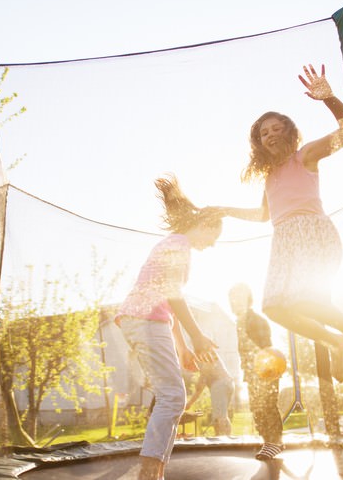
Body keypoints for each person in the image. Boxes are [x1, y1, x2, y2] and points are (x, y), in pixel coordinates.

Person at [210, 64, 343, 381]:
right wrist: (225, 209)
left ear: (289, 133)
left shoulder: (305, 156)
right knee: (274, 305)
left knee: (306, 299)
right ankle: (335, 340)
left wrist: (328, 98)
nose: (270, 134)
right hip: (284, 240)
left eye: (276, 128)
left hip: (312, 232)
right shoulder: (269, 176)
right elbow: (263, 216)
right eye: (264, 133)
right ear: (258, 144)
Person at [115, 174, 222, 480]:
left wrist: (183, 347)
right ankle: (149, 473)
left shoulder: (175, 244)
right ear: (207, 226)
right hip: (145, 320)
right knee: (172, 396)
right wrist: (199, 336)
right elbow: (174, 294)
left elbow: (167, 304)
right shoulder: (178, 244)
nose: (212, 244)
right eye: (214, 236)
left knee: (171, 395)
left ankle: (155, 472)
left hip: (147, 319)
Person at [228, 282, 284, 460]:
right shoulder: (239, 322)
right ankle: (269, 441)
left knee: (267, 406)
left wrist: (266, 372)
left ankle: (274, 442)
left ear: (248, 301)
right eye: (232, 300)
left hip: (266, 371)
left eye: (238, 299)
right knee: (257, 408)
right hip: (252, 373)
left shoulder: (256, 321)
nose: (234, 303)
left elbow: (266, 348)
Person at [184, 353, 235, 436]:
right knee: (222, 415)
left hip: (219, 385)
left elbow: (200, 387)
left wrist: (189, 404)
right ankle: (226, 439)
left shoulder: (203, 354)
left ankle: (223, 442)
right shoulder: (207, 351)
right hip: (229, 383)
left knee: (219, 418)